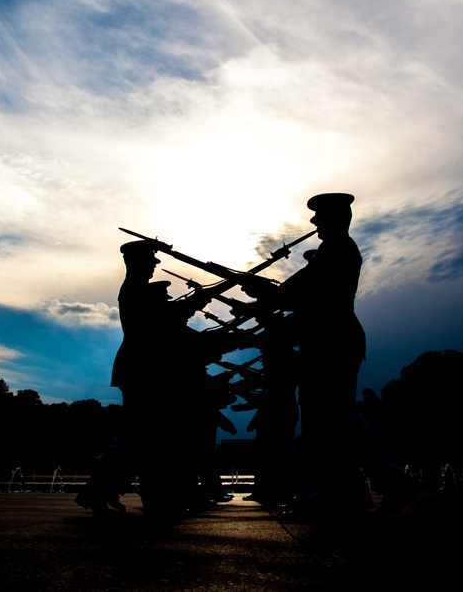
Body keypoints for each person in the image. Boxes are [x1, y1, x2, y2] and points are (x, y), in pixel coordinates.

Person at [243, 193, 412, 517]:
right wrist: (266, 297)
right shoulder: (332, 251)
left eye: (320, 216)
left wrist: (264, 295)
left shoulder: (336, 251)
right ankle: (342, 491)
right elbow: (299, 297)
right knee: (325, 422)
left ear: (337, 218)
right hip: (326, 342)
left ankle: (392, 480)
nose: (314, 222)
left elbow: (299, 294)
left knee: (337, 416)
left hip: (332, 342)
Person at [77, 240, 214, 515]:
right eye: (150, 260)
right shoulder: (135, 289)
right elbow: (160, 323)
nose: (154, 264)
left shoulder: (137, 290)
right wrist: (193, 303)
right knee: (139, 436)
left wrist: (191, 305)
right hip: (142, 370)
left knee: (142, 435)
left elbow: (165, 321)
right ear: (136, 262)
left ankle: (106, 491)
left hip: (143, 369)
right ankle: (116, 492)